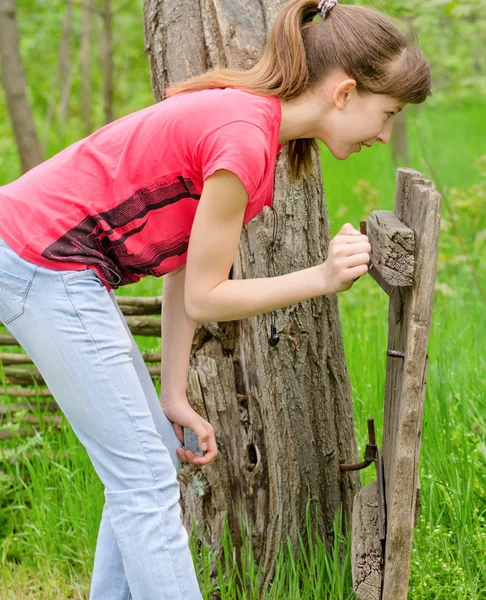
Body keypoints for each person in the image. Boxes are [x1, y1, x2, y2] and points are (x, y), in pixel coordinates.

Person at [0, 0, 431, 598]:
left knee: (145, 468)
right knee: (145, 482)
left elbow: (182, 268)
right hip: (39, 260)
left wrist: (172, 393)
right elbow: (206, 297)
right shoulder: (244, 138)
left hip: (50, 262)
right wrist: (323, 277)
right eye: (386, 114)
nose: (384, 134)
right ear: (344, 94)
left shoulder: (253, 129)